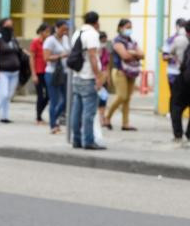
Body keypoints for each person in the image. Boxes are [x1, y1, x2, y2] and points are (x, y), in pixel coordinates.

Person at [67, 11, 106, 150]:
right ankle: (88, 141)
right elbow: (92, 56)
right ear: (97, 22)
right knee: (89, 112)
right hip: (88, 77)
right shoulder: (92, 34)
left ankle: (76, 140)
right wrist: (98, 76)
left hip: (77, 76)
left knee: (76, 111)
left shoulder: (77, 32)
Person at [105, 19, 143, 131]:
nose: (129, 29)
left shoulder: (132, 41)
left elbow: (142, 54)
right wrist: (134, 54)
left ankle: (125, 123)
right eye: (127, 27)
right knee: (122, 96)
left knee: (127, 99)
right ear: (120, 28)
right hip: (120, 71)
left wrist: (132, 53)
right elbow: (124, 56)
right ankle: (107, 117)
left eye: (130, 27)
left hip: (131, 71)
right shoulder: (117, 41)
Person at [0, 17, 22, 123]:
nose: (10, 28)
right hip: (2, 72)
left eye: (11, 25)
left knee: (8, 95)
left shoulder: (13, 39)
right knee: (3, 94)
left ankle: (5, 116)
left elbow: (18, 51)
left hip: (14, 72)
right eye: (7, 25)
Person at [43, 20, 71, 135]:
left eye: (66, 29)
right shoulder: (50, 41)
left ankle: (54, 118)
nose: (64, 31)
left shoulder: (65, 39)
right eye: (62, 29)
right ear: (56, 28)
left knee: (66, 99)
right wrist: (61, 55)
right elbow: (46, 57)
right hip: (52, 73)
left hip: (65, 72)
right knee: (54, 99)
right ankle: (53, 125)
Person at [31, 24, 51, 125]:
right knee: (40, 95)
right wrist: (33, 74)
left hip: (47, 70)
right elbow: (32, 58)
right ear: (41, 32)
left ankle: (39, 113)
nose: (48, 34)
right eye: (46, 32)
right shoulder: (35, 42)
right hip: (38, 71)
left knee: (48, 95)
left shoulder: (49, 42)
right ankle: (38, 117)